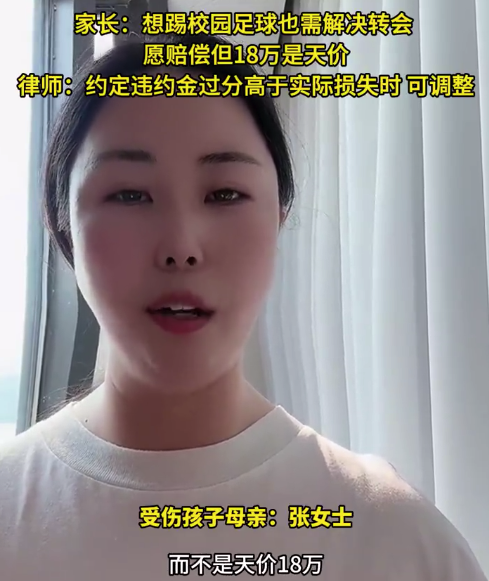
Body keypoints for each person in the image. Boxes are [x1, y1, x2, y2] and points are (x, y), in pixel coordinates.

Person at [0, 32, 486, 580]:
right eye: (130, 194)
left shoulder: (397, 541)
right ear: (64, 225)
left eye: (224, 194)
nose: (181, 247)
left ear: (279, 217)